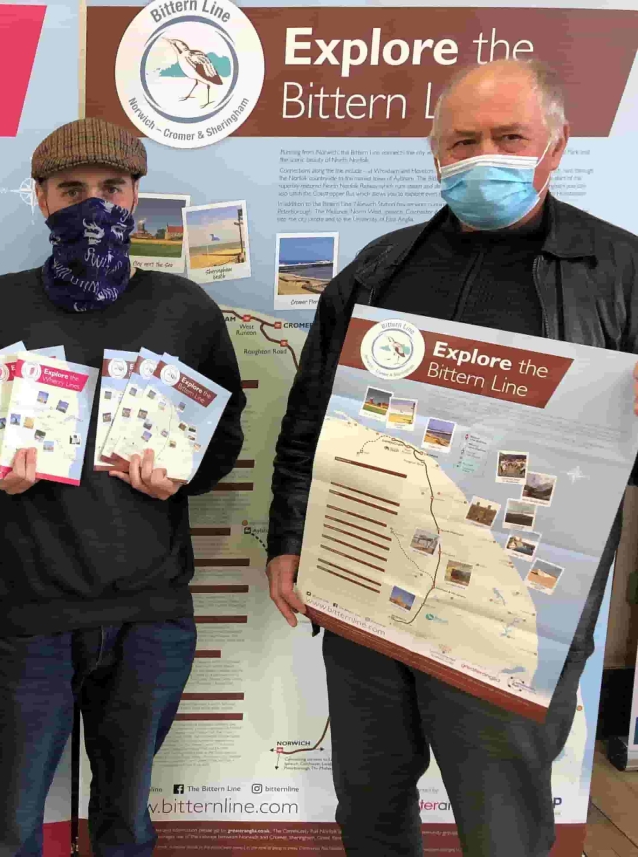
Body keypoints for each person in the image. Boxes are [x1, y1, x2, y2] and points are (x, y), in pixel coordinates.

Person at [266, 58, 638, 857]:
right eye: (462, 141)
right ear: (435, 154)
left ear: (557, 145)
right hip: (366, 585)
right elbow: (309, 423)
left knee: (501, 819)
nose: (483, 157)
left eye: (509, 137)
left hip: (516, 610)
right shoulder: (380, 267)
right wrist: (289, 540)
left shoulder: (622, 271)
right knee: (369, 799)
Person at [0, 117, 246, 857]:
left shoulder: (183, 308)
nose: (93, 204)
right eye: (72, 190)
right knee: (16, 820)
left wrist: (181, 476)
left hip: (150, 612)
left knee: (126, 819)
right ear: (40, 199)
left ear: (136, 197)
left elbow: (222, 433)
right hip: (25, 607)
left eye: (111, 188)